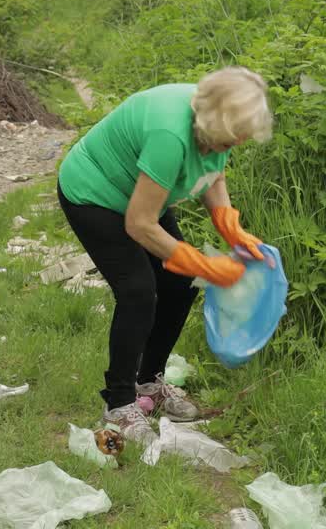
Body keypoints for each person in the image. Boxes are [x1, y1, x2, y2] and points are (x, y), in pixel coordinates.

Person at [56, 67, 273, 444]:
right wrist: (205, 264)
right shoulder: (170, 134)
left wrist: (232, 230)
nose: (232, 147)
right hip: (94, 192)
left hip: (140, 197)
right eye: (228, 141)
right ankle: (120, 403)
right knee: (138, 290)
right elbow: (139, 225)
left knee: (181, 283)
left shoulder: (216, 120)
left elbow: (213, 174)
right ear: (211, 124)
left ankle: (148, 384)